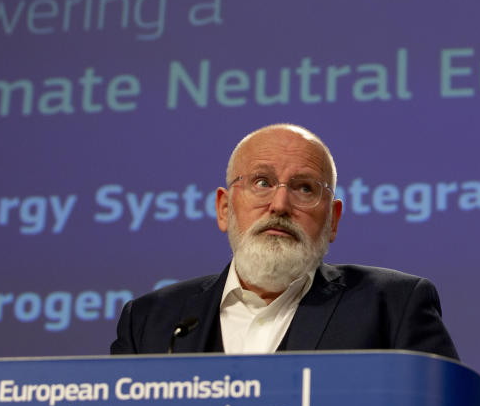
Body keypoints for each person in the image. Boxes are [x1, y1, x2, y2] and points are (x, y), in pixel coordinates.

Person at [110, 123, 458, 359]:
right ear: (224, 208)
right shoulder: (148, 323)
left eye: (304, 188)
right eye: (261, 183)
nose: (279, 205)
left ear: (333, 220)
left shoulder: (392, 307)